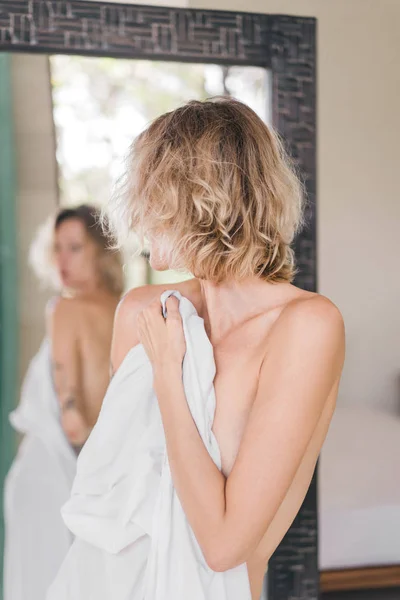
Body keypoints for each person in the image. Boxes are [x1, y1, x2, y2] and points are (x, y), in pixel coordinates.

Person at [51, 98, 345, 600]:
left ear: (202, 198)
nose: (140, 216)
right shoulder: (142, 309)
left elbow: (223, 546)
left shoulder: (306, 327)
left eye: (152, 194)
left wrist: (170, 374)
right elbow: (112, 492)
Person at [3, 205, 123, 600]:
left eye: (74, 247)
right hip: (85, 474)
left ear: (101, 252)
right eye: (57, 248)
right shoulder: (129, 308)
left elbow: (73, 422)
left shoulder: (64, 308)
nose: (61, 260)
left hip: (54, 475)